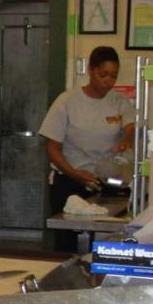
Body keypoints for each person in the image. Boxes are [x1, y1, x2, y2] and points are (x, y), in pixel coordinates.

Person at [39, 45, 134, 251]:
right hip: (69, 180)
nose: (108, 81)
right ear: (91, 70)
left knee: (101, 244)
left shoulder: (119, 101)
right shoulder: (67, 101)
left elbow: (129, 126)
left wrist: (127, 139)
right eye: (103, 75)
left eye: (114, 76)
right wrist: (74, 174)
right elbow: (52, 148)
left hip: (104, 183)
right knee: (68, 246)